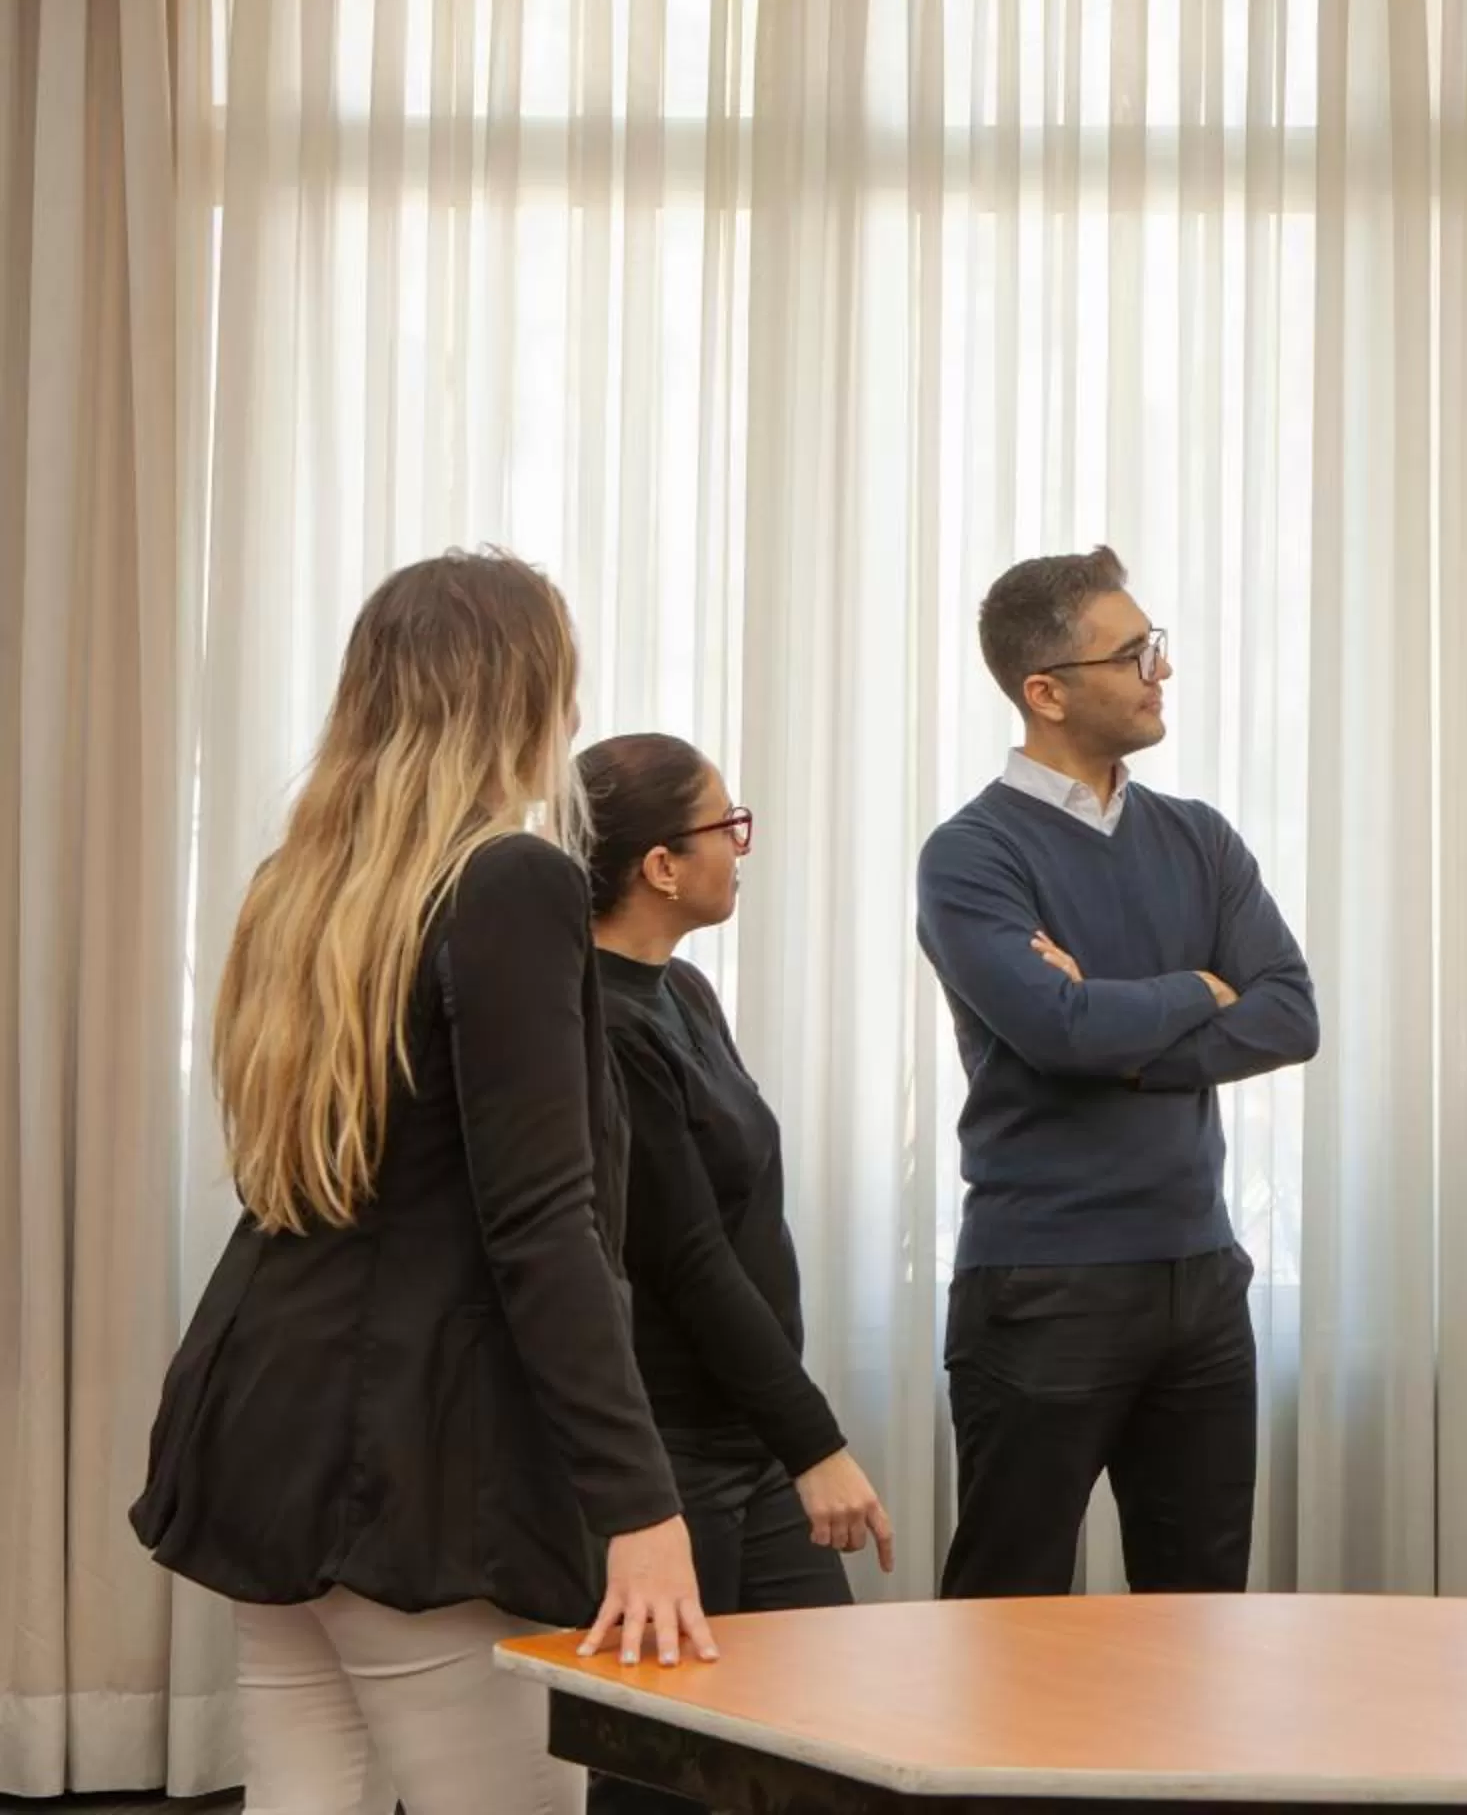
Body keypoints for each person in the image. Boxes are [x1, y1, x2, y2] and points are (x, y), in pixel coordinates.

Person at [130, 550, 712, 1815]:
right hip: (420, 1449)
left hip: (269, 1416)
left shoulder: (306, 885)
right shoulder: (513, 878)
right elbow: (542, 1219)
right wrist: (640, 1501)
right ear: (527, 693)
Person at [916, 545, 1319, 1599]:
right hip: (1045, 1280)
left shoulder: (1199, 836)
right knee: (1009, 1614)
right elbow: (1054, 1028)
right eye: (1133, 652)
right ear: (1044, 692)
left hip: (1201, 1274)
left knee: (1197, 1618)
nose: (1161, 671)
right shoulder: (971, 854)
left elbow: (1290, 1012)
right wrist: (1197, 984)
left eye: (1157, 646)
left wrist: (1109, 1026)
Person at [575, 735, 895, 1814]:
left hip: (745, 1439)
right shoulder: (609, 1026)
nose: (741, 849)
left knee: (832, 1734)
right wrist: (819, 1443)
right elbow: (691, 1259)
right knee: (665, 1770)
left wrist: (787, 1437)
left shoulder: (685, 992)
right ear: (662, 864)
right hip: (673, 1455)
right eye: (727, 826)